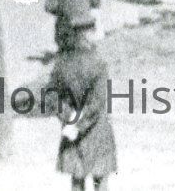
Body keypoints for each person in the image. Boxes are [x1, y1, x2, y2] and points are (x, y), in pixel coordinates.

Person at [40, 16, 117, 191]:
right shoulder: (98, 63)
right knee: (100, 181)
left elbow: (51, 95)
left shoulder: (62, 63)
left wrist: (70, 118)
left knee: (76, 180)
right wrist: (80, 121)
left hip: (71, 130)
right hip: (97, 129)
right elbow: (97, 101)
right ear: (87, 34)